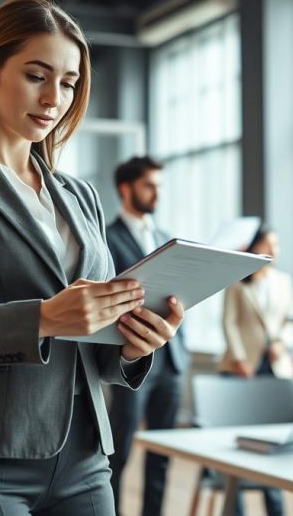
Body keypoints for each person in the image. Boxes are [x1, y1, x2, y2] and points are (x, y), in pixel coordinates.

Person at [0, 0, 185, 516]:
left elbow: (98, 347)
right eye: (36, 75)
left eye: (68, 83)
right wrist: (43, 318)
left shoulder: (80, 195)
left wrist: (135, 344)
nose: (54, 99)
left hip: (86, 459)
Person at [105, 156, 190, 516]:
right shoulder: (105, 238)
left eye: (159, 185)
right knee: (119, 452)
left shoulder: (165, 237)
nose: (156, 193)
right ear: (126, 188)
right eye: (149, 185)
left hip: (172, 361)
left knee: (161, 456)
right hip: (133, 359)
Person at [216, 226, 293, 516]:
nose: (273, 250)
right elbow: (229, 322)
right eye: (267, 244)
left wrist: (283, 344)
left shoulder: (284, 281)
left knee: (273, 443)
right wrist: (238, 358)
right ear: (253, 247)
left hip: (274, 366)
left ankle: (276, 509)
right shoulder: (237, 281)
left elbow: (291, 321)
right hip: (241, 368)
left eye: (277, 244)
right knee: (234, 444)